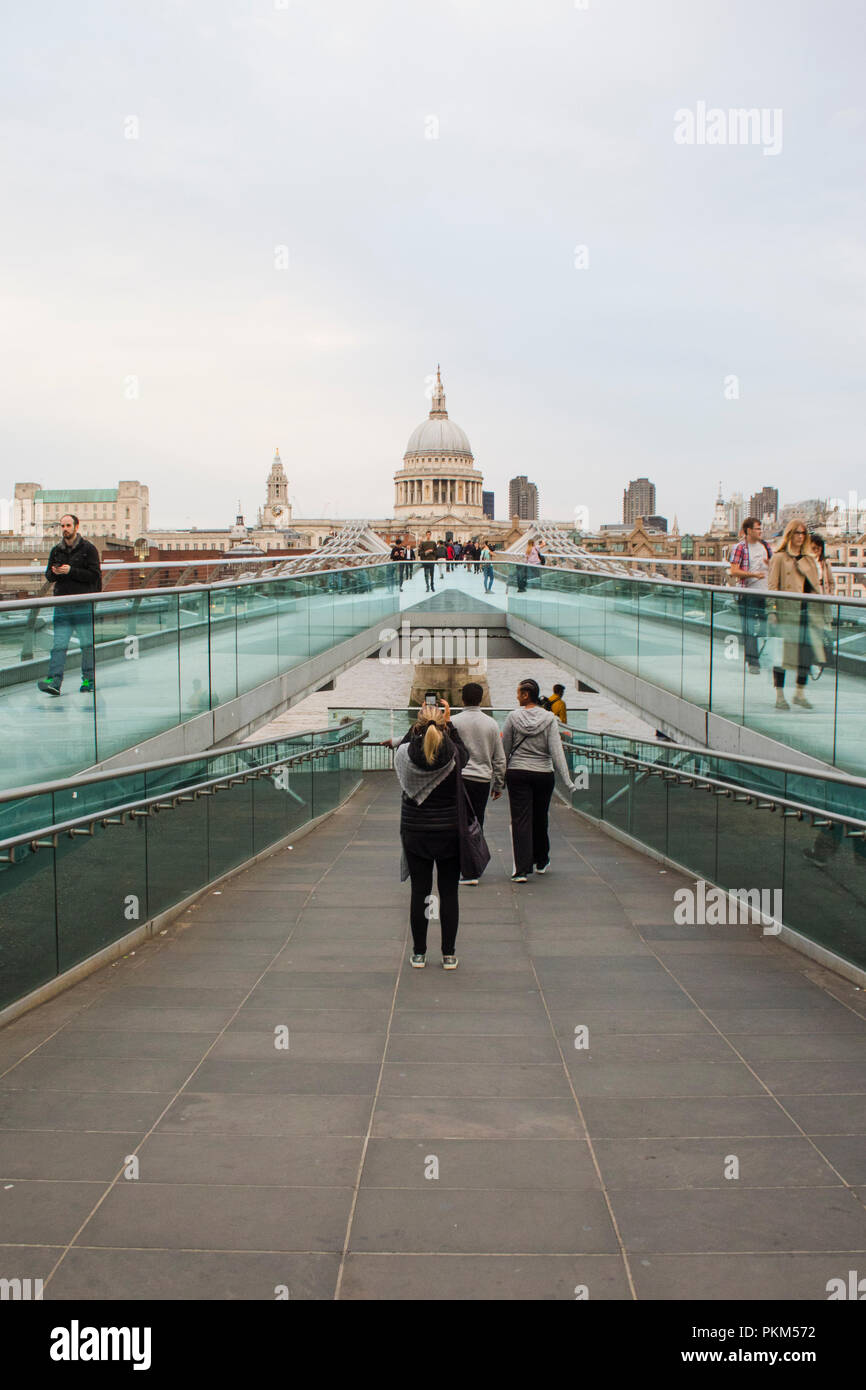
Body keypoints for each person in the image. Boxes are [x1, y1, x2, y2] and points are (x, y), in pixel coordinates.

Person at [394, 700, 470, 970]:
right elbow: (467, 754)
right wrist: (448, 723)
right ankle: (448, 954)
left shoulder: (405, 754)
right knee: (449, 893)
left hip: (416, 832)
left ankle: (419, 953)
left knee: (420, 892)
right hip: (449, 832)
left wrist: (416, 727)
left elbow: (402, 746)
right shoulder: (454, 755)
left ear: (417, 725)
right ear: (443, 725)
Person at [502, 678, 578, 881]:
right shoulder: (550, 719)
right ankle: (542, 859)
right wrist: (568, 781)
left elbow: (505, 750)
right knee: (540, 817)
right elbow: (556, 752)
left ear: (526, 695)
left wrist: (498, 778)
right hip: (543, 773)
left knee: (520, 820)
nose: (517, 696)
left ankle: (521, 869)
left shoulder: (512, 717)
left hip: (518, 772)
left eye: (518, 693)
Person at [37, 513, 102, 696]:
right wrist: (56, 571)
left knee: (87, 644)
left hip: (82, 603)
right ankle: (54, 681)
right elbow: (49, 577)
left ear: (76, 527)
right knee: (59, 644)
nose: (65, 529)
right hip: (62, 604)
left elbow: (94, 575)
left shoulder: (88, 549)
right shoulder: (56, 550)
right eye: (62, 526)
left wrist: (71, 570)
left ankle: (88, 680)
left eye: (68, 525)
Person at [450, 682, 506, 883]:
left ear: (462, 698)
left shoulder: (453, 721)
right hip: (482, 779)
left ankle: (462, 866)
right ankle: (473, 867)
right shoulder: (491, 723)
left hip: (459, 778)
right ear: (481, 698)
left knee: (458, 821)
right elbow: (499, 758)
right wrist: (498, 784)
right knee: (477, 822)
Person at [767, 519, 825, 710]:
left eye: (803, 534)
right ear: (790, 534)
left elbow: (816, 587)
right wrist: (772, 611)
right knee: (781, 656)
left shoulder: (809, 559)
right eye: (797, 533)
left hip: (807, 614)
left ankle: (799, 693)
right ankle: (779, 696)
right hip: (787, 613)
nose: (801, 537)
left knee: (805, 655)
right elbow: (772, 588)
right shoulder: (779, 558)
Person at [728, 516, 773, 674]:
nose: (760, 531)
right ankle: (753, 662)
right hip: (747, 593)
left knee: (764, 628)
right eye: (757, 529)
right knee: (749, 628)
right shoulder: (740, 547)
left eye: (761, 529)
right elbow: (734, 571)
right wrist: (753, 575)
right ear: (748, 530)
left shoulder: (765, 546)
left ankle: (760, 657)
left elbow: (772, 565)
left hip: (765, 593)